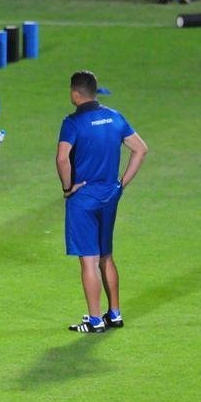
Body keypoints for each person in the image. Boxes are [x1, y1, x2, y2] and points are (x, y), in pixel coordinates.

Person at [56, 70, 148, 333]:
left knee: (88, 260)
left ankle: (95, 320)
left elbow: (62, 158)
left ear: (75, 93)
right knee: (106, 256)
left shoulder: (72, 122)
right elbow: (140, 149)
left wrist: (67, 188)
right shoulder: (115, 117)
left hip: (83, 197)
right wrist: (121, 184)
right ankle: (114, 314)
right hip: (109, 195)